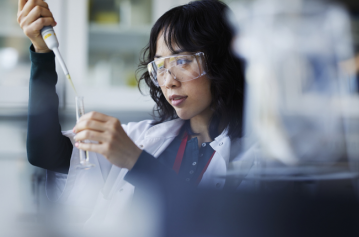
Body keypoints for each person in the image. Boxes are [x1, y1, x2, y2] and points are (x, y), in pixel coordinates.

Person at [18, 0, 253, 224]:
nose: (169, 81)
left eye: (182, 61)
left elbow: (210, 220)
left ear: (222, 62)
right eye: (161, 65)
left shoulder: (254, 159)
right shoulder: (140, 138)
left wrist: (136, 160)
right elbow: (44, 152)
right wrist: (42, 52)